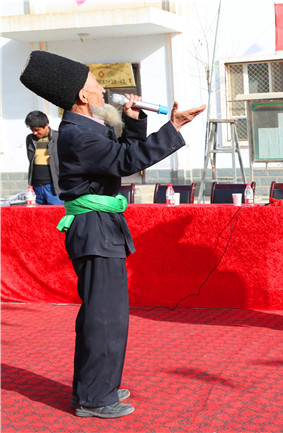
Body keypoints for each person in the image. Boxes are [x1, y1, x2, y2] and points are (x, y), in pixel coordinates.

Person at [20, 50, 205, 418]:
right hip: (94, 230)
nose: (103, 91)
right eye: (96, 85)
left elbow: (120, 153)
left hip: (99, 228)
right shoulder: (78, 135)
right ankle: (94, 398)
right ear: (82, 96)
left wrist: (133, 121)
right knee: (105, 317)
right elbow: (125, 161)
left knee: (104, 314)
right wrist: (173, 127)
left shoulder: (84, 129)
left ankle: (96, 386)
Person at [24, 111, 64, 205]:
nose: (35, 132)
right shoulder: (30, 139)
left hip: (54, 187)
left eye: (37, 130)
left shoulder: (59, 137)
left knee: (56, 213)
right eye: (32, 129)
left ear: (46, 125)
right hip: (36, 187)